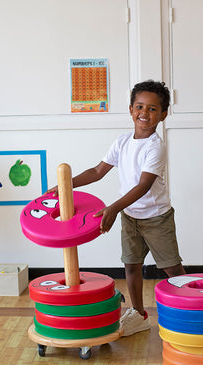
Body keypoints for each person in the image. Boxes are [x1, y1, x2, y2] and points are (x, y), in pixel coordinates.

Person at [48, 80, 185, 336]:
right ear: (131, 109)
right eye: (139, 106)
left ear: (163, 114)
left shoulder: (156, 146)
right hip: (130, 215)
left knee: (171, 267)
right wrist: (66, 184)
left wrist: (111, 208)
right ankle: (139, 314)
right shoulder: (122, 141)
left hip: (156, 218)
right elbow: (98, 171)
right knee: (131, 265)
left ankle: (188, 308)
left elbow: (144, 186)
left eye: (152, 109)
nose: (144, 112)